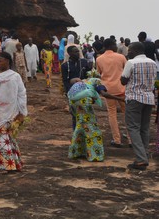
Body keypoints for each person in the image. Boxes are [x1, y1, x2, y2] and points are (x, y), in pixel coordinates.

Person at [120, 42, 156, 170]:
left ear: (134, 51)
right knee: (144, 128)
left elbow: (123, 80)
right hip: (149, 98)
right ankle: (144, 155)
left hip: (134, 98)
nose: (128, 52)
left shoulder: (131, 62)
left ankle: (141, 159)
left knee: (133, 128)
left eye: (129, 50)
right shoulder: (153, 62)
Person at [67, 77, 118, 162]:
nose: (82, 80)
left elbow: (73, 107)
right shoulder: (84, 88)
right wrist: (120, 99)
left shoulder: (72, 93)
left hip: (80, 117)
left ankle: (76, 152)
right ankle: (95, 155)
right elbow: (99, 96)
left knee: (79, 133)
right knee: (93, 134)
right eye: (79, 79)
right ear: (76, 81)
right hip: (88, 118)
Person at [96, 38, 129, 147]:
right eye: (115, 44)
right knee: (127, 114)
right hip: (122, 89)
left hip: (108, 90)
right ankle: (131, 139)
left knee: (112, 114)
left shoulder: (99, 59)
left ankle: (117, 140)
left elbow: (99, 73)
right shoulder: (121, 57)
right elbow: (126, 71)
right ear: (112, 45)